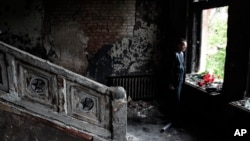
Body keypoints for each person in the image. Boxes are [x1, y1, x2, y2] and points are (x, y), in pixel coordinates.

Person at [168, 38, 187, 125]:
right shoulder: (174, 54)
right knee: (175, 100)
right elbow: (171, 70)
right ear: (178, 45)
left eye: (185, 45)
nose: (185, 47)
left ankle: (176, 118)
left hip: (181, 80)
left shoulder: (182, 54)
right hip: (175, 81)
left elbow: (183, 67)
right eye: (183, 45)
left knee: (178, 100)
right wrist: (171, 83)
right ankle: (173, 118)